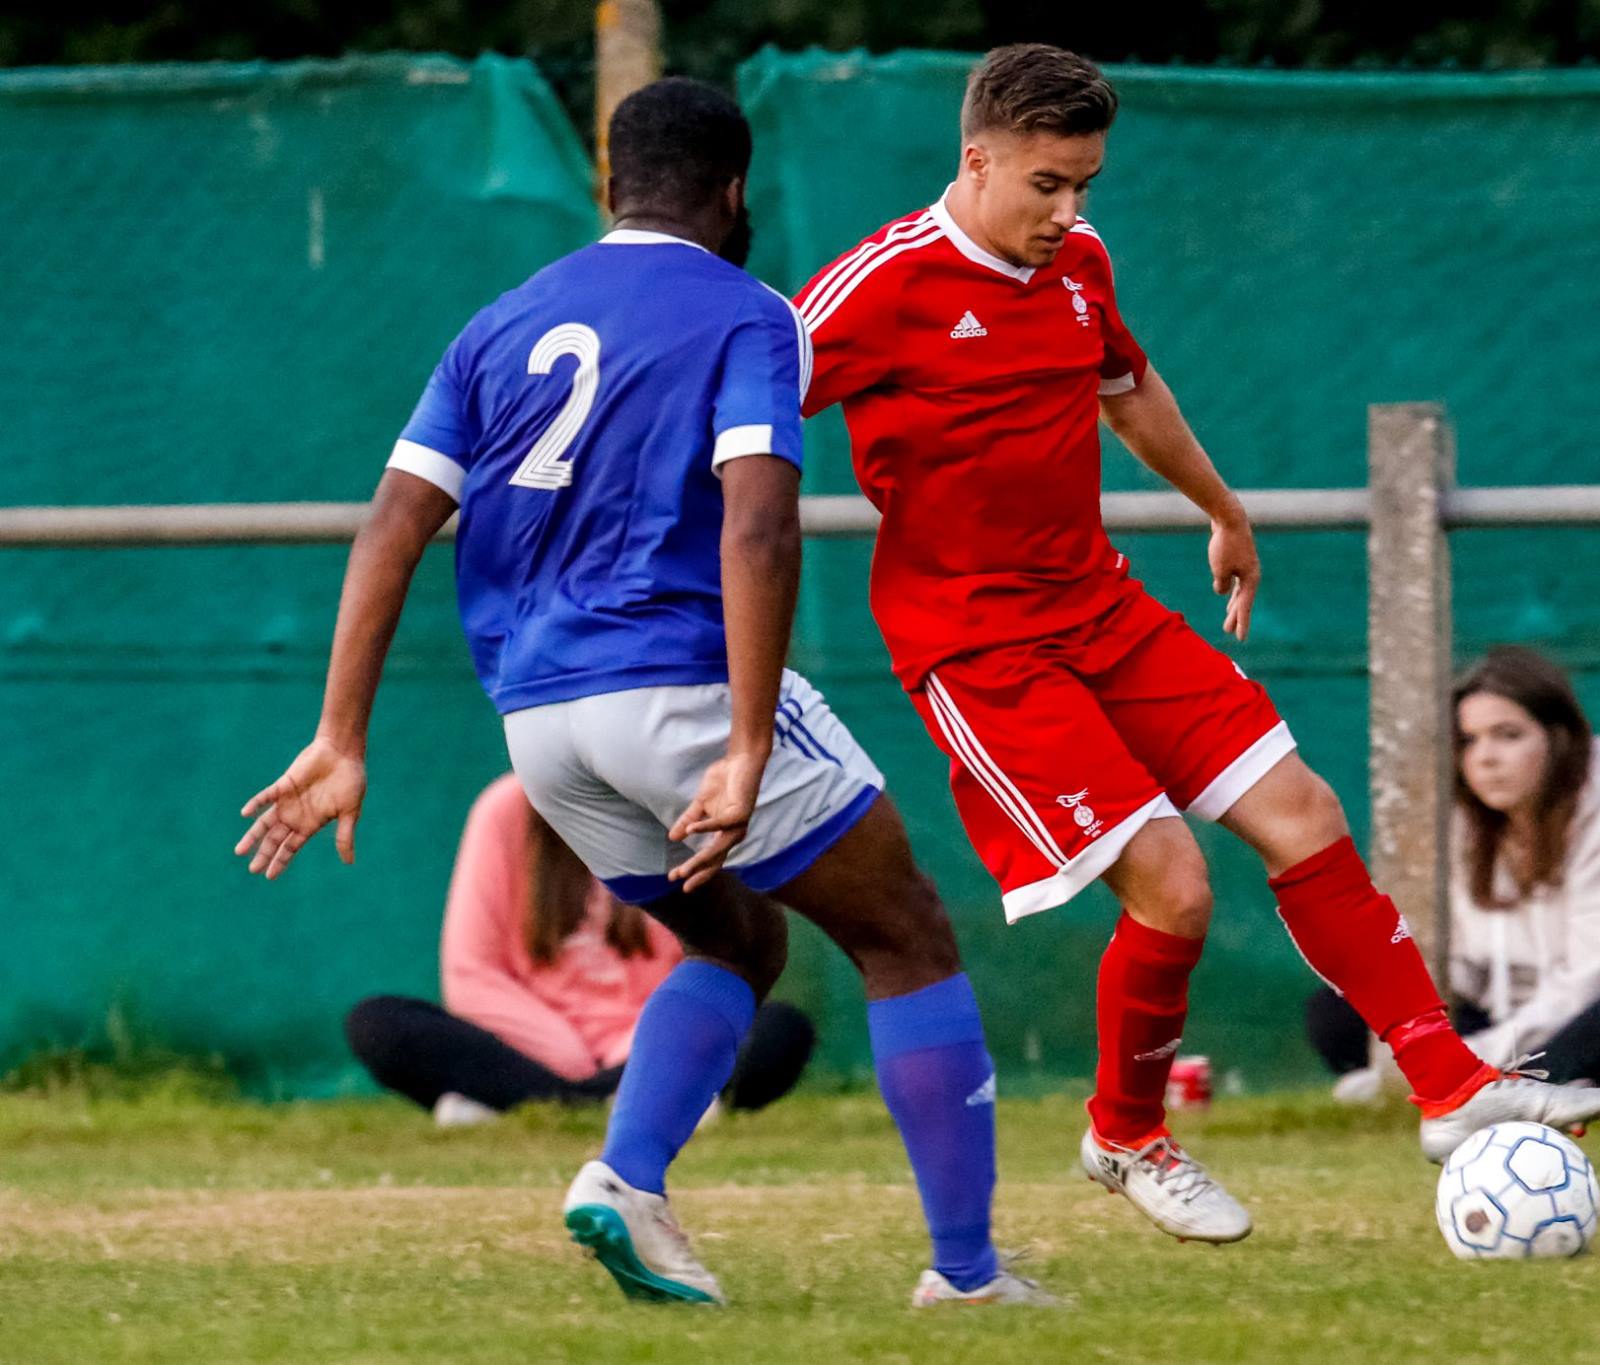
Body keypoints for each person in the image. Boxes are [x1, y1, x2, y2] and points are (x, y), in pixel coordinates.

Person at [794, 43, 1600, 1247]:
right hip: (978, 648)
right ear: (975, 160)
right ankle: (1126, 1134)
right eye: (1044, 184)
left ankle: (1449, 1084)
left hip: (1099, 605)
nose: (1067, 211)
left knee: (1302, 814)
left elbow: (1125, 385)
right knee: (1175, 886)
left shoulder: (1077, 263)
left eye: (1084, 183)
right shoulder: (875, 289)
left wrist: (1221, 508)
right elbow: (736, 403)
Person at [235, 77, 1048, 1309]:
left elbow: (394, 526)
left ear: (614, 185)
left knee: (738, 936)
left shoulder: (499, 323)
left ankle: (626, 1177)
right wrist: (740, 737)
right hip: (672, 686)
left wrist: (341, 735)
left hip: (542, 725)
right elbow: (760, 529)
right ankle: (969, 1275)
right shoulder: (747, 313)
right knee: (906, 934)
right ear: (732, 193)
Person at [1307, 646, 1600, 1103]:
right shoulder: (1466, 830)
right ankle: (1488, 1090)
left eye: (1507, 735)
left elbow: (1590, 987)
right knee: (1339, 1012)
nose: (1485, 757)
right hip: (1508, 1027)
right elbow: (1461, 972)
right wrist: (1420, 1037)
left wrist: (1464, 1062)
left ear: (1558, 738)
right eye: (1469, 741)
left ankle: (1488, 1092)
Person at [344, 773, 815, 1125]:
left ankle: (518, 1105)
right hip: (527, 1048)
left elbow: (707, 966)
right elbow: (472, 974)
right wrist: (568, 1056)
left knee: (780, 1031)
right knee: (378, 1024)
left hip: (647, 1043)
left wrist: (631, 1047)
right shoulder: (504, 808)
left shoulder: (683, 812)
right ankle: (646, 1104)